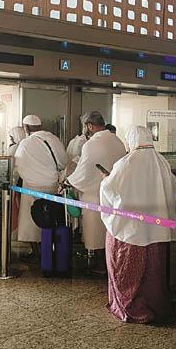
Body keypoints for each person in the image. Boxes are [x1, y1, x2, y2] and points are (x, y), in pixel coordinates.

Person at [100, 126, 176, 323]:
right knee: (154, 275)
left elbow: (110, 188)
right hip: (157, 231)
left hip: (131, 231)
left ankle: (128, 306)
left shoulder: (126, 162)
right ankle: (154, 306)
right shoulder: (161, 161)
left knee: (127, 272)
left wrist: (106, 180)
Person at [67, 111, 126, 274]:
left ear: (90, 126)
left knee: (95, 231)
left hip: (95, 194)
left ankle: (99, 264)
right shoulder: (117, 141)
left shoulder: (91, 144)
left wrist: (69, 181)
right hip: (115, 195)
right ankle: (111, 263)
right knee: (110, 230)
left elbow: (84, 171)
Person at [14, 115, 67, 259]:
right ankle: (50, 251)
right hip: (52, 186)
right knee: (50, 218)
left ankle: (36, 252)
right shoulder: (54, 139)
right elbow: (63, 162)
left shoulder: (25, 144)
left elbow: (19, 165)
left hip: (31, 187)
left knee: (31, 221)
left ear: (26, 128)